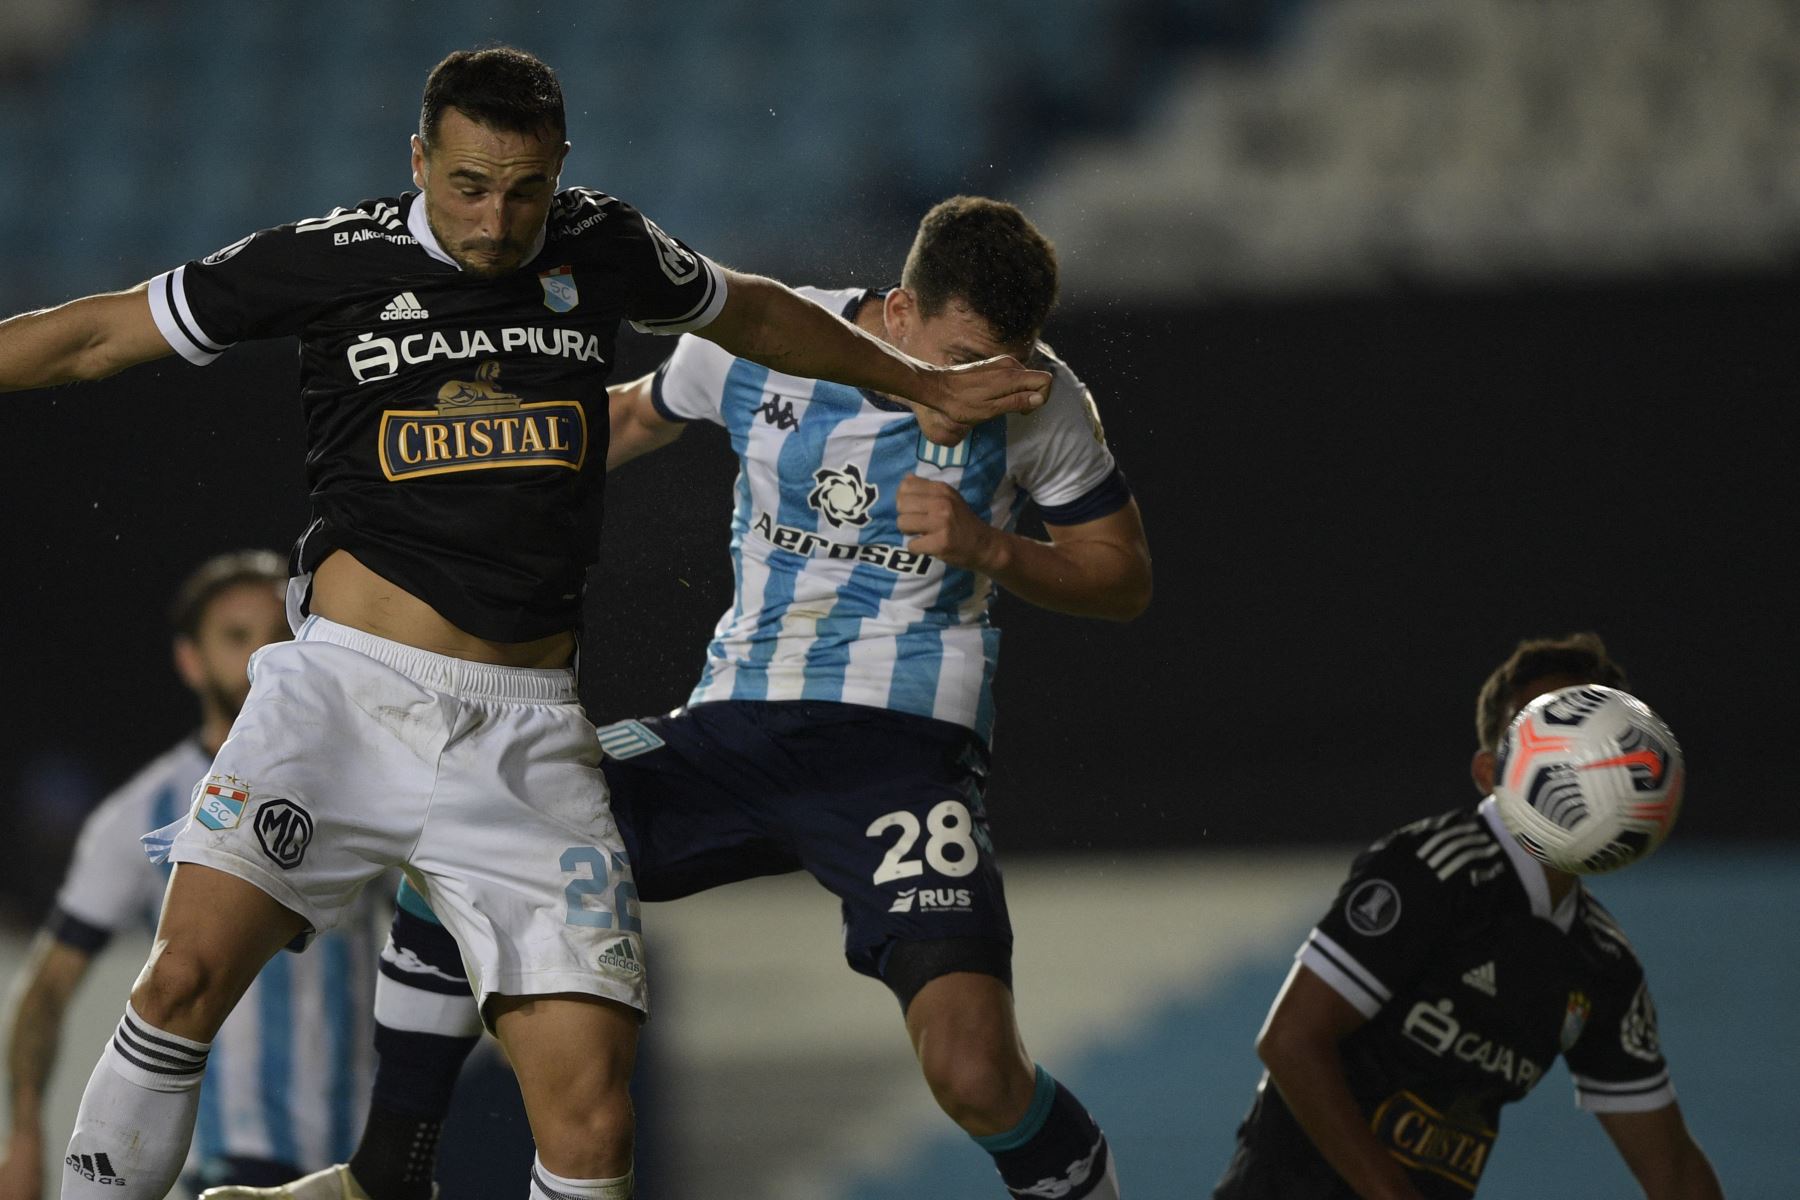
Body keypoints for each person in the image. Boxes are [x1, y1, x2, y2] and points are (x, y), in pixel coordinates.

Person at [0, 47, 1051, 1200]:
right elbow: (100, 333)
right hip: (345, 695)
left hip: (527, 734)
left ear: (560, 171)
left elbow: (749, 310)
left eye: (524, 189)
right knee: (186, 977)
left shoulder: (600, 244)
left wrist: (919, 379)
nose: (496, 218)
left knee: (594, 1124)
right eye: (466, 185)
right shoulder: (329, 260)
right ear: (419, 160)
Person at [203, 196, 1148, 1200]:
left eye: (998, 366)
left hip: (901, 758)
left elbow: (1121, 575)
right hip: (733, 729)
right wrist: (437, 481)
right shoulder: (768, 338)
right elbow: (621, 418)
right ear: (904, 311)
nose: (975, 392)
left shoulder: (1041, 399)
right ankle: (387, 1177)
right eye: (959, 363)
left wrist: (991, 547)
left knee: (974, 1074)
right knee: (464, 820)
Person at [1211, 633, 1725, 1199]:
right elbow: (1290, 1040)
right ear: (1489, 775)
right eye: (1543, 729)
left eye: (1591, 726)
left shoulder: (1601, 963)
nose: (1578, 760)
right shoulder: (1433, 872)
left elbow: (1672, 1169)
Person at [0, 551, 386, 1198]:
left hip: (358, 1158)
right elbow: (48, 985)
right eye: (236, 637)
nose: (261, 655)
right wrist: (26, 1133)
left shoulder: (363, 783)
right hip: (221, 1159)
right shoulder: (142, 813)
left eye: (278, 634)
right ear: (189, 660)